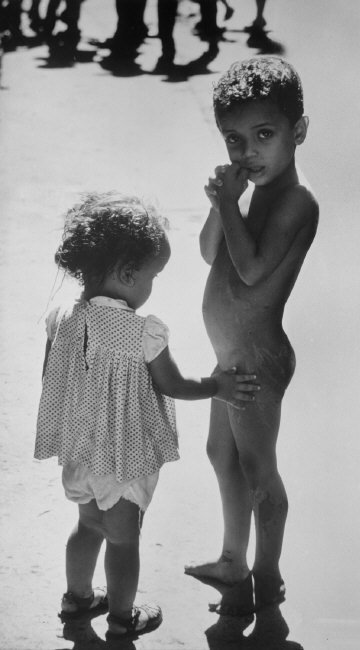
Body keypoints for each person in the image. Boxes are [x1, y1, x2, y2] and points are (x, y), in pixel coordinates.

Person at [34, 192, 260, 639]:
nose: (152, 286)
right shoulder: (142, 330)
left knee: (86, 526)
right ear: (127, 273)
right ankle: (122, 619)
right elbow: (172, 384)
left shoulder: (61, 318)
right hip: (122, 457)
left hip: (80, 452)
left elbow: (51, 379)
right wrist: (219, 387)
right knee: (122, 539)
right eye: (153, 276)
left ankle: (77, 597)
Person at [184, 57, 319, 615]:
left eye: (265, 135)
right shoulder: (251, 193)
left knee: (260, 468)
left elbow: (251, 269)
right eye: (234, 139)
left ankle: (268, 573)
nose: (248, 153)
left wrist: (225, 202)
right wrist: (225, 203)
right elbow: (210, 251)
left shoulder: (296, 201)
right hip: (230, 355)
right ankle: (233, 559)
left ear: (299, 132)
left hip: (258, 359)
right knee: (221, 453)